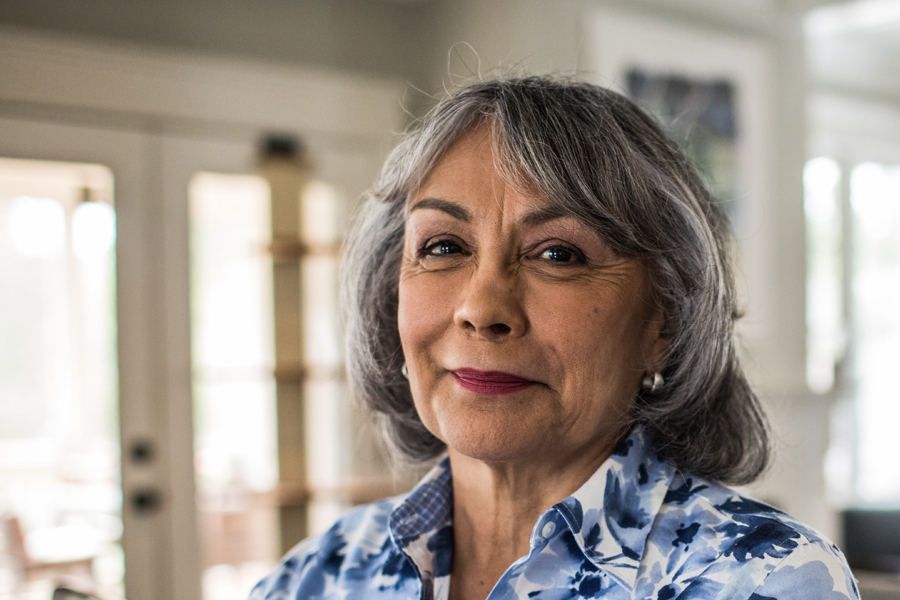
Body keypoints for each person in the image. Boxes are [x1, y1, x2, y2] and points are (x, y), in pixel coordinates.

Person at [249, 76, 858, 600]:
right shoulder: (320, 574)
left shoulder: (762, 580)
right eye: (443, 247)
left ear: (665, 321)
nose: (482, 308)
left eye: (559, 254)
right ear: (390, 296)